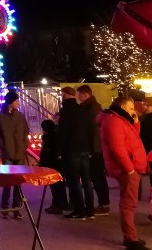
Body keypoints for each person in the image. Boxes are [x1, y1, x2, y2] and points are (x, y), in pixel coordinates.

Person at [100, 96, 149, 250]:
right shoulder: (114, 121)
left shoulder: (121, 120)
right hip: (127, 168)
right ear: (121, 106)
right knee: (128, 204)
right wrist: (129, 169)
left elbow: (133, 137)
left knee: (130, 202)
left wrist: (135, 122)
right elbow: (117, 147)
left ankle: (131, 236)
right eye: (130, 108)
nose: (133, 111)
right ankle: (130, 238)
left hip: (131, 166)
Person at [58, 85, 94, 220]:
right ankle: (90, 210)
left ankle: (79, 210)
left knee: (74, 181)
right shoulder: (82, 110)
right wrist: (90, 148)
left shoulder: (66, 111)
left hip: (72, 149)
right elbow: (90, 130)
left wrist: (59, 151)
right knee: (86, 180)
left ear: (66, 95)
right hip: (85, 149)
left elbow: (63, 132)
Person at [0, 90, 28, 218]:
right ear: (10, 102)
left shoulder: (20, 116)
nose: (18, 103)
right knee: (7, 181)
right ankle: (5, 207)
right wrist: (3, 145)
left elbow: (26, 130)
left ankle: (16, 208)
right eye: (16, 101)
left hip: (19, 153)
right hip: (7, 153)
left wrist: (24, 144)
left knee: (18, 181)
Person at [77, 84, 111, 216]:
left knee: (97, 176)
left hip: (95, 149)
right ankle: (104, 203)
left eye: (79, 94)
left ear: (86, 95)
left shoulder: (90, 109)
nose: (78, 97)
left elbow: (92, 130)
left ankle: (104, 204)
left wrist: (91, 149)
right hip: (96, 147)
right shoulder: (93, 107)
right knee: (98, 176)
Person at [39, 119, 69, 214]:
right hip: (58, 165)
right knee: (60, 185)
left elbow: (46, 154)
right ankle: (62, 203)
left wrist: (42, 164)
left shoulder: (49, 139)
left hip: (52, 165)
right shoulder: (55, 136)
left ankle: (57, 204)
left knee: (55, 186)